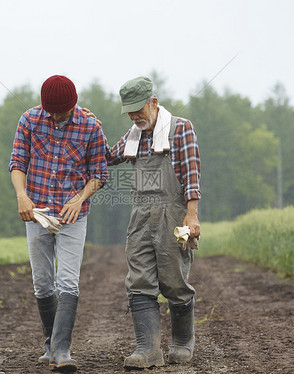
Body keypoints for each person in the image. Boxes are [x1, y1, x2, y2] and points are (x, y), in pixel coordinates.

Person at [8, 75, 108, 372]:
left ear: (74, 104)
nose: (56, 116)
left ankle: (62, 350)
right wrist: (22, 196)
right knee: (42, 282)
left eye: (61, 112)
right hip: (37, 211)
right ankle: (50, 344)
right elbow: (17, 162)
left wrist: (79, 198)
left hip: (72, 215)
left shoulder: (91, 127)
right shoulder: (28, 120)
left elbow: (100, 173)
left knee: (67, 281)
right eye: (51, 111)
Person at [106, 77, 201, 369]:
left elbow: (191, 172)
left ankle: (183, 341)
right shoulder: (133, 135)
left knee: (175, 280)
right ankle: (148, 349)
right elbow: (109, 157)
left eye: (139, 110)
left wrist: (192, 214)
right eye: (130, 112)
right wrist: (90, 128)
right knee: (139, 281)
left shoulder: (180, 128)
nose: (135, 117)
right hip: (140, 217)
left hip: (174, 215)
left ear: (154, 102)